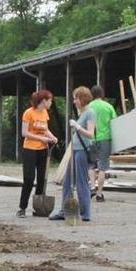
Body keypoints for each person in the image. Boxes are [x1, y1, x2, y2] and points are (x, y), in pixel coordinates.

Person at [49, 87, 96, 223]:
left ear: (82, 98)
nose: (74, 101)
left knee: (81, 182)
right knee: (67, 182)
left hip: (82, 151)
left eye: (76, 98)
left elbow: (91, 134)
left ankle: (85, 212)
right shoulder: (82, 113)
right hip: (75, 150)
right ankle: (65, 210)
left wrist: (77, 127)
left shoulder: (90, 113)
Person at [16, 90, 58, 217]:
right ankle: (22, 208)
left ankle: (38, 207)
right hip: (30, 149)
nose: (51, 102)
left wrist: (52, 137)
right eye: (50, 100)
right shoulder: (29, 113)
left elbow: (45, 130)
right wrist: (42, 139)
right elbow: (25, 133)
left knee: (41, 178)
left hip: (43, 150)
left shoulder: (45, 113)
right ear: (44, 101)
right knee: (29, 179)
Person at [87, 85, 117, 201]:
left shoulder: (89, 107)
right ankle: (99, 194)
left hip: (91, 139)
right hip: (105, 139)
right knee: (102, 167)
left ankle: (92, 187)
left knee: (91, 165)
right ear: (102, 94)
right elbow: (114, 123)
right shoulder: (108, 107)